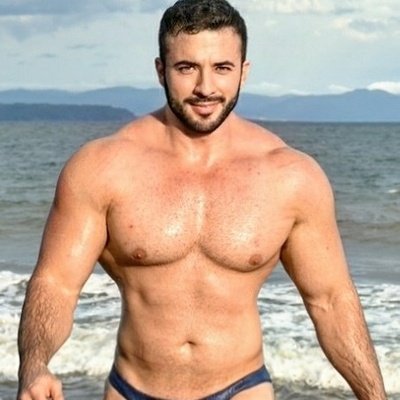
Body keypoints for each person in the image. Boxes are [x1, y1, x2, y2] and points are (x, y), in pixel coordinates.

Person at [17, 0, 387, 399]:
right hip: (133, 388)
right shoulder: (102, 168)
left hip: (242, 387)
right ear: (161, 70)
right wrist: (34, 366)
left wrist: (374, 395)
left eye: (222, 68)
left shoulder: (291, 177)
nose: (206, 88)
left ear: (244, 71)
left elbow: (330, 301)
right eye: (186, 67)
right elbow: (56, 284)